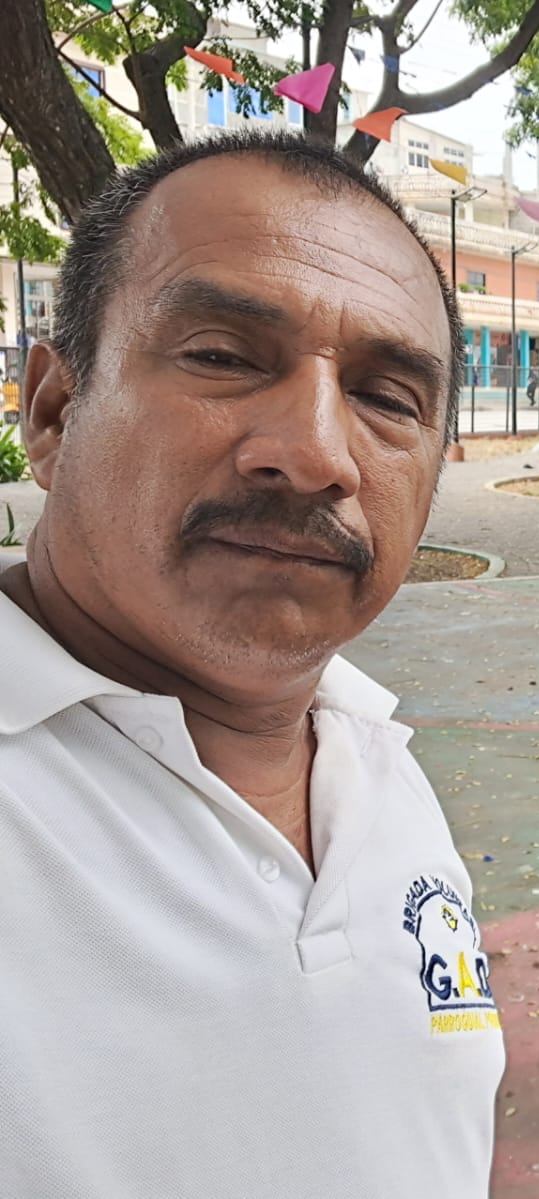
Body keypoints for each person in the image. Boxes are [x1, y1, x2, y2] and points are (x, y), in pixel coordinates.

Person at [0, 131, 505, 1197]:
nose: (316, 452)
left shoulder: (380, 765)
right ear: (52, 411)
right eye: (223, 356)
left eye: (387, 398)